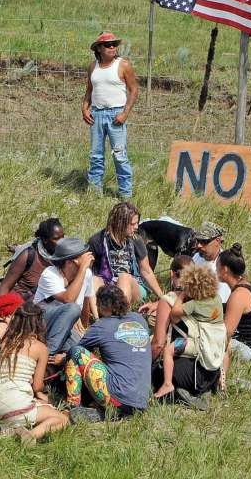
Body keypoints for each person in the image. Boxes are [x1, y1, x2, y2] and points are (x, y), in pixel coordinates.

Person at [0, 302, 69, 445]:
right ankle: (31, 435)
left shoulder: (6, 343)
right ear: (39, 323)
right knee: (62, 419)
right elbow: (37, 386)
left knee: (33, 410)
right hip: (16, 404)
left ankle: (9, 433)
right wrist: (44, 396)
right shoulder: (40, 348)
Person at [64, 284, 151, 422]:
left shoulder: (101, 325)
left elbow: (78, 350)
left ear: (103, 306)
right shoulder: (139, 320)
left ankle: (72, 406)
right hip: (141, 401)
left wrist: (61, 359)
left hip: (118, 397)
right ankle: (111, 412)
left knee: (76, 352)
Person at [153, 266, 225, 399]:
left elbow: (175, 313)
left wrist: (181, 296)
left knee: (169, 350)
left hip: (199, 343)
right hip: (215, 343)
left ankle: (167, 384)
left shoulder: (195, 305)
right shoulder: (217, 299)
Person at [81, 31, 139, 198]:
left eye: (114, 44)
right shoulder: (93, 67)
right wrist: (85, 108)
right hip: (97, 114)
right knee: (96, 155)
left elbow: (134, 90)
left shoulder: (123, 65)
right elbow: (90, 90)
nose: (112, 47)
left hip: (116, 115)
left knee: (120, 156)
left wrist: (125, 113)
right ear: (99, 48)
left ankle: (125, 195)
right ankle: (94, 192)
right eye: (107, 44)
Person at [88, 202, 164, 306]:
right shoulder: (97, 240)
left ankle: (121, 316)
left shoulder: (136, 240)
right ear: (120, 223)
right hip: (106, 285)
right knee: (93, 280)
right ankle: (98, 320)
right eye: (132, 224)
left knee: (124, 278)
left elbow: (146, 271)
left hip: (132, 286)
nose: (136, 227)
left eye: (137, 223)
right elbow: (86, 271)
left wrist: (162, 297)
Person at [33, 237, 97, 358]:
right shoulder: (50, 274)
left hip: (64, 328)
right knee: (72, 308)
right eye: (83, 256)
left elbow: (85, 303)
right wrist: (83, 269)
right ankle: (48, 353)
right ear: (69, 262)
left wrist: (84, 328)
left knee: (81, 350)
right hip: (41, 322)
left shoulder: (86, 274)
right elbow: (68, 300)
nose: (88, 258)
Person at [218, 244, 251, 382]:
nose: (215, 270)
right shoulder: (246, 284)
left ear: (225, 269)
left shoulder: (239, 295)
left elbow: (226, 333)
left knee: (212, 339)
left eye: (217, 266)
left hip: (249, 350)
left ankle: (220, 379)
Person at [0, 218, 64, 300]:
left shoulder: (65, 257)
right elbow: (5, 287)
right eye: (56, 239)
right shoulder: (28, 255)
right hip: (23, 305)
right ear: (45, 240)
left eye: (63, 237)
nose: (62, 242)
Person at [192, 222, 231, 304]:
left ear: (217, 241)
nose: (199, 245)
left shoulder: (224, 268)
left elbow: (219, 303)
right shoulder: (197, 256)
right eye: (198, 240)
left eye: (204, 241)